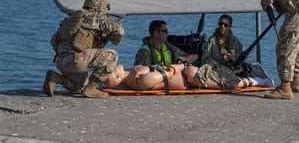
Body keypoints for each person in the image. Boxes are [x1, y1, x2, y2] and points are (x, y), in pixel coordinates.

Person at [43, 0, 124, 98]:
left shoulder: (73, 18)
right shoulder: (96, 17)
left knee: (78, 87)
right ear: (100, 6)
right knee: (113, 55)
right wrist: (112, 37)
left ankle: (55, 78)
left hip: (61, 60)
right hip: (76, 60)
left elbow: (53, 40)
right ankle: (92, 87)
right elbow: (120, 31)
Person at [104, 63, 273, 91]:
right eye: (111, 70)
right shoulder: (140, 80)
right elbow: (167, 74)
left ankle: (253, 78)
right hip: (189, 77)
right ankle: (257, 81)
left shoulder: (134, 74)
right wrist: (182, 65)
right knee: (231, 84)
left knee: (224, 75)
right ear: (117, 78)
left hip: (188, 75)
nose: (112, 66)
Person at [134, 20, 198, 66]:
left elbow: (184, 56)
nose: (167, 33)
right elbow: (143, 73)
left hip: (169, 78)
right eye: (164, 31)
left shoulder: (169, 47)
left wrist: (187, 61)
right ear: (156, 33)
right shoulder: (144, 52)